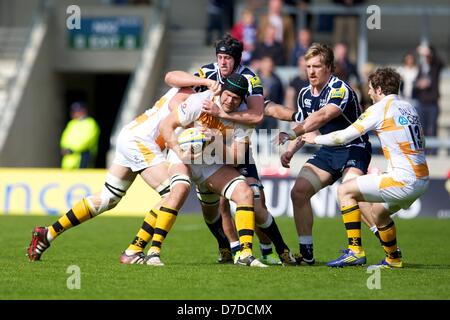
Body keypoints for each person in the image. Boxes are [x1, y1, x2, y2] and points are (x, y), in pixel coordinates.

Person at [27, 88, 196, 263]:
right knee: (173, 193)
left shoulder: (194, 84)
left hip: (132, 134)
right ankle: (134, 250)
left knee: (108, 198)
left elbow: (173, 79)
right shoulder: (200, 88)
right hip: (142, 141)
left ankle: (48, 233)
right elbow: (174, 87)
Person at [164, 34, 290, 265]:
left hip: (235, 143)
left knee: (254, 198)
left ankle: (275, 249)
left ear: (237, 59)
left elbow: (257, 115)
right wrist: (201, 91)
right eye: (220, 57)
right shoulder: (207, 73)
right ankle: (229, 248)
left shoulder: (250, 78)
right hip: (207, 148)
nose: (222, 62)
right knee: (215, 206)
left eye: (228, 58)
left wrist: (220, 113)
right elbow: (171, 81)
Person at [302, 67, 429, 269]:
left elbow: (342, 136)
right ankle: (393, 259)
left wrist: (314, 138)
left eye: (370, 88)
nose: (368, 93)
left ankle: (355, 251)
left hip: (404, 179)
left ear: (379, 89)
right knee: (378, 213)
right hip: (422, 179)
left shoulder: (379, 109)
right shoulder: (408, 107)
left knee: (345, 190)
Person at [269, 43, 379, 265]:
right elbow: (307, 124)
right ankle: (307, 254)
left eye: (317, 66)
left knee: (349, 192)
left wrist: (291, 134)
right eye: (308, 66)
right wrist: (291, 150)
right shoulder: (304, 94)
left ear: (329, 67)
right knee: (299, 192)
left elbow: (322, 116)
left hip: (353, 148)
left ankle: (369, 246)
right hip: (329, 150)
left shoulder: (340, 89)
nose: (311, 71)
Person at [60, 102, 100, 169]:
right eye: (73, 111)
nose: (74, 113)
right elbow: (65, 138)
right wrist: (65, 148)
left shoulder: (91, 123)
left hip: (83, 159)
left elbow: (86, 140)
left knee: (82, 178)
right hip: (69, 162)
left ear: (83, 111)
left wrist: (72, 149)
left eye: (77, 110)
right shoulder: (71, 123)